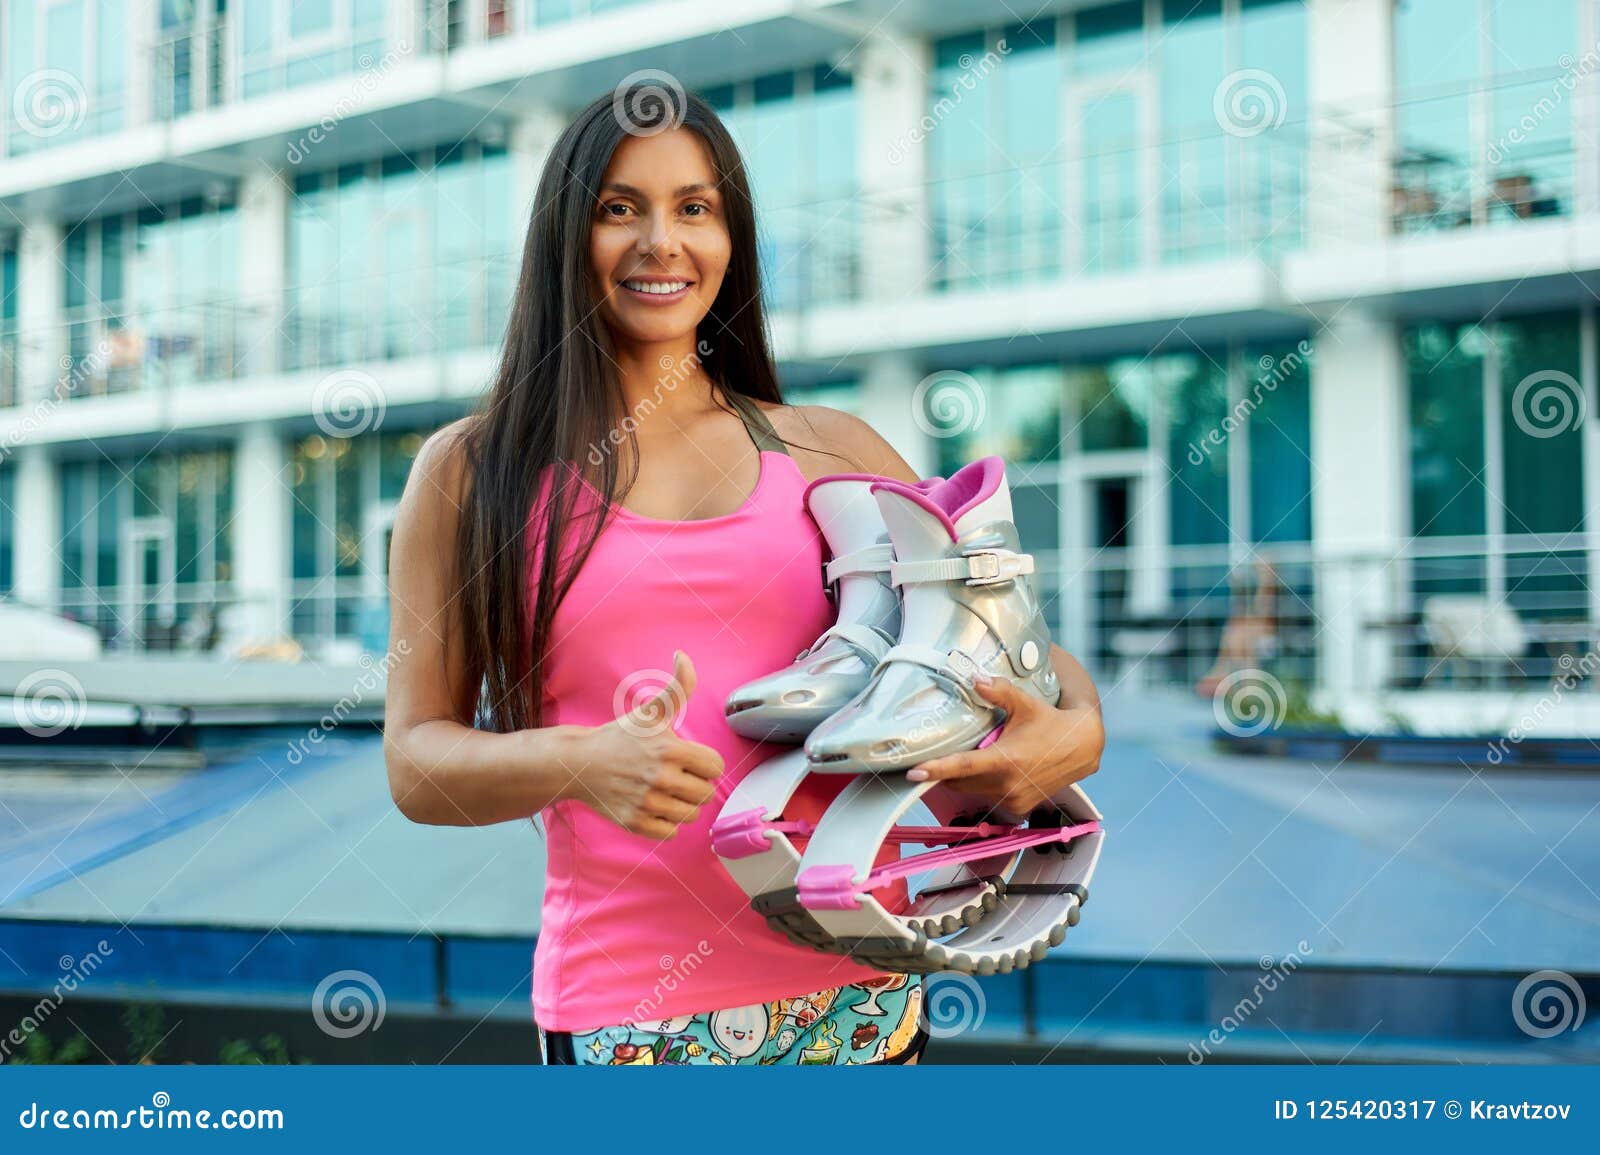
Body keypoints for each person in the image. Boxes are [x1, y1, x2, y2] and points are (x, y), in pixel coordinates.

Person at [382, 82, 1105, 1066]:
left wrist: (1076, 731)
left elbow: (1012, 652)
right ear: (566, 235)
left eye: (695, 208)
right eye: (618, 208)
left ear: (733, 237)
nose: (660, 244)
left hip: (861, 990)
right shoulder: (475, 474)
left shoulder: (831, 452)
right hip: (628, 1017)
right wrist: (584, 762)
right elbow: (417, 766)